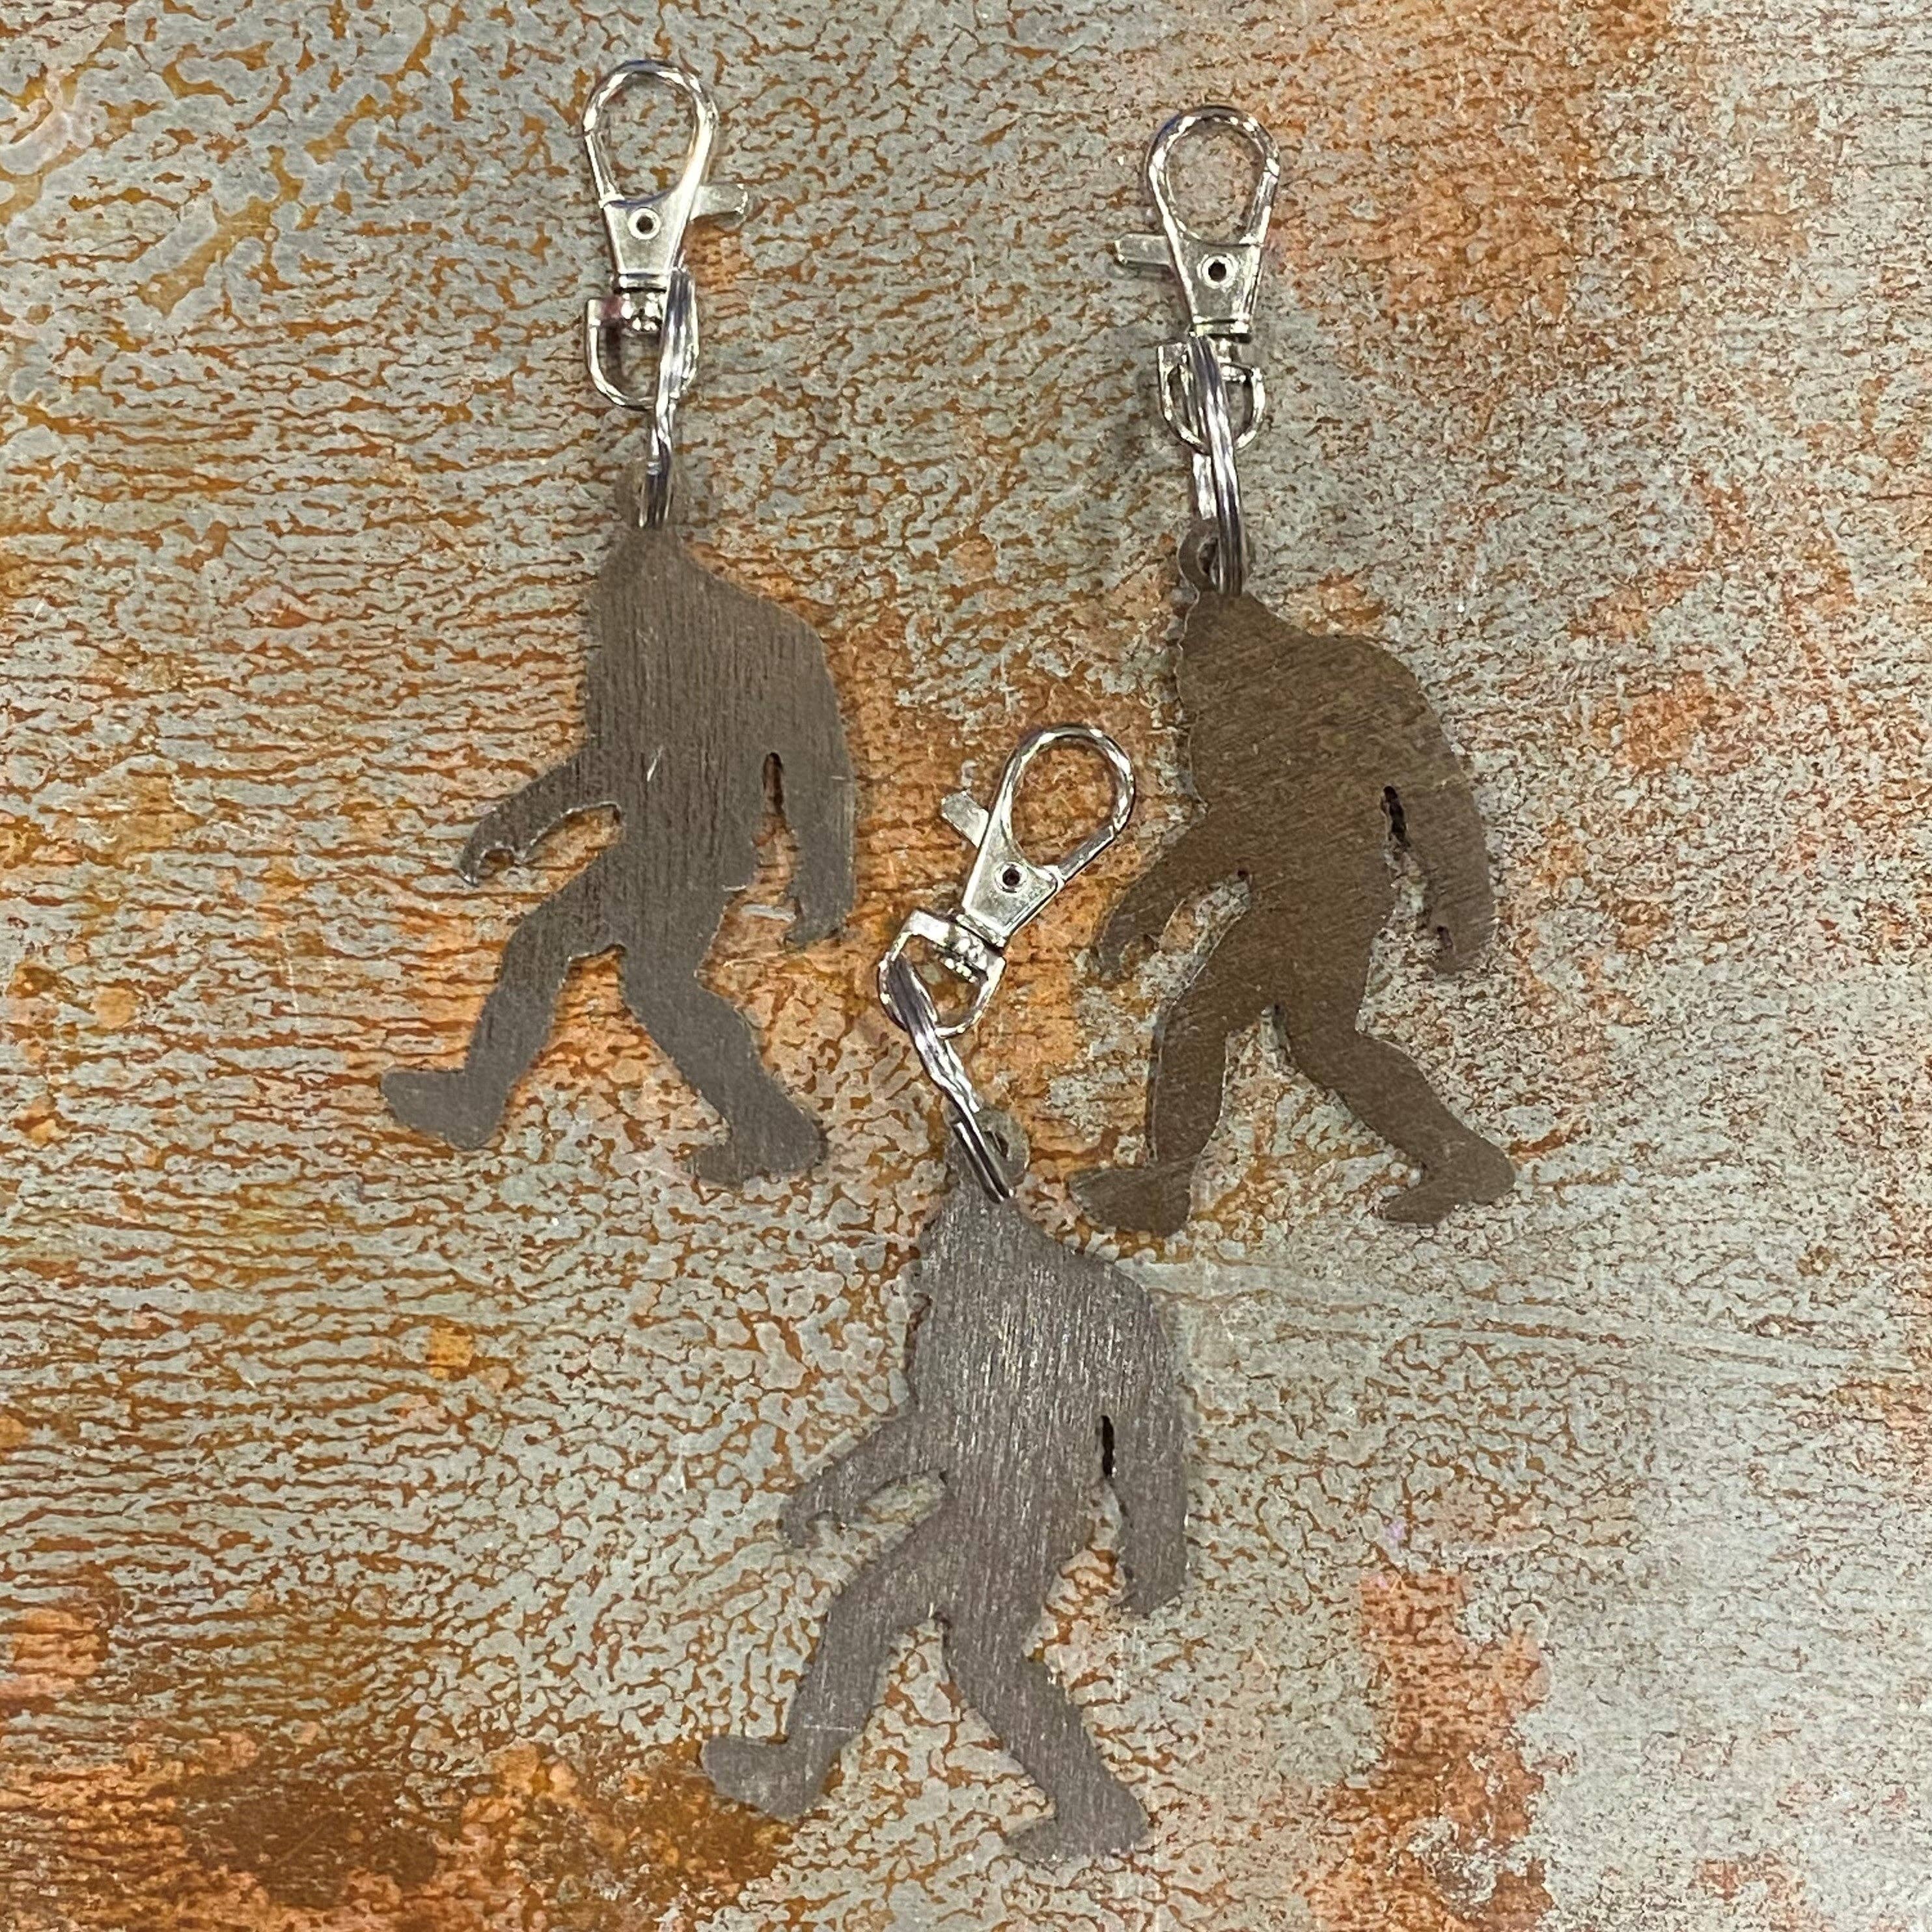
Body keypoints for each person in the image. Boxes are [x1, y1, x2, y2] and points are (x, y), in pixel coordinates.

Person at [704, 1136, 1189, 1862]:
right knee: (941, 1644)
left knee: (933, 1641)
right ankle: (1096, 1808)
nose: (924, 1268)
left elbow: (935, 1431)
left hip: (1011, 1520)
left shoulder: (981, 1305)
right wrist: (1157, 1542)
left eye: (936, 1252)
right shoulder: (1100, 1295)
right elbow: (1149, 1438)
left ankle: (1095, 1809)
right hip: (1019, 1511)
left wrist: (838, 1488)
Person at [383, 471, 853, 1180]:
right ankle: (774, 1132)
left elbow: (817, 772)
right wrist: (519, 820)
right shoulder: (636, 623)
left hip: (696, 853)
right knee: (646, 983)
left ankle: (481, 1101)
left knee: (585, 961)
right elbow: (611, 758)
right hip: (664, 847)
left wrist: (828, 875)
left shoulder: (763, 639)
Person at [1075, 549, 1513, 1233]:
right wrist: (1150, 902)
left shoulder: (1304, 692)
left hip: (1317, 900)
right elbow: (1244, 827)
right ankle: (1464, 1159)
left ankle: (1167, 1185)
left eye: (1188, 658)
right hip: (1326, 897)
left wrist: (1464, 894)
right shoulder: (1287, 696)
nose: (1180, 677)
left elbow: (1428, 793)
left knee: (1200, 1023)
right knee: (1324, 1043)